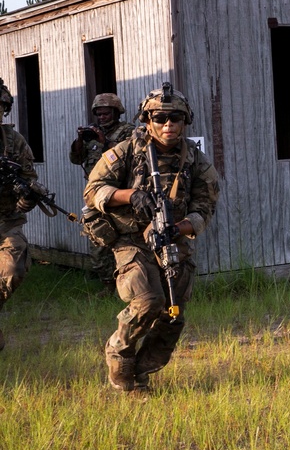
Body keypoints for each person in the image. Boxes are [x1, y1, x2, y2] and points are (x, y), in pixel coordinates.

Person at [84, 83, 219, 390]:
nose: (168, 124)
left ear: (185, 122)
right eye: (159, 118)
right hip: (131, 239)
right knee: (148, 301)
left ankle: (141, 373)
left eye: (175, 118)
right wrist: (129, 195)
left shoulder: (196, 162)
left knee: (173, 315)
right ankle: (120, 355)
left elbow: (205, 207)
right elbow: (93, 191)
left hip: (172, 240)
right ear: (147, 119)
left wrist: (179, 228)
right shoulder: (126, 151)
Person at [70, 93, 135, 290]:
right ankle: (108, 285)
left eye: (106, 113)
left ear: (116, 112)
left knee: (125, 240)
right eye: (98, 114)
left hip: (119, 195)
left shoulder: (127, 132)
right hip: (96, 196)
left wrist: (104, 141)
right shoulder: (92, 133)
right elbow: (76, 159)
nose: (102, 117)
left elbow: (130, 157)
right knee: (97, 239)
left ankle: (129, 284)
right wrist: (81, 140)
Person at [0, 78, 40, 351]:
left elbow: (29, 179)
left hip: (6, 221)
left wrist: (28, 198)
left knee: (13, 269)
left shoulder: (14, 141)